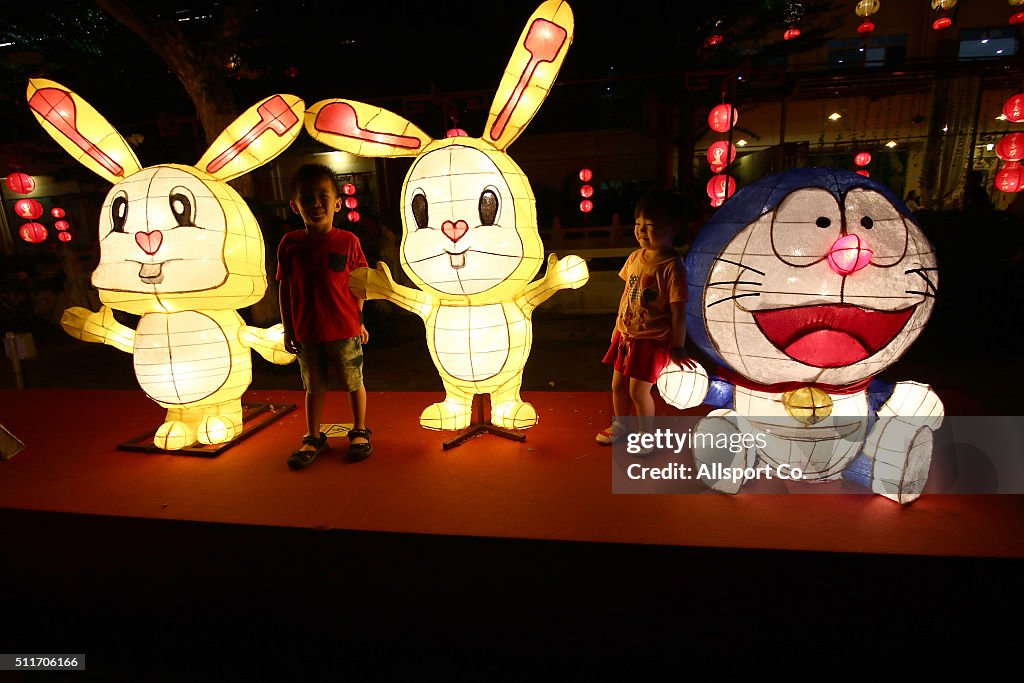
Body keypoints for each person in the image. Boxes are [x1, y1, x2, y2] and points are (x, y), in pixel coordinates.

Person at [277, 164, 373, 469]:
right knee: (312, 386)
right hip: (307, 331)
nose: (316, 203)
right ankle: (314, 435)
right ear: (295, 205)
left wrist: (359, 321)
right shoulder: (290, 244)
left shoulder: (348, 242)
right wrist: (287, 327)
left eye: (323, 196)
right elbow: (284, 287)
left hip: (345, 328)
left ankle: (359, 429)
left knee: (353, 380)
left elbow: (361, 284)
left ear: (336, 202)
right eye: (308, 198)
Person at [596, 189, 699, 449]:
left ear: (674, 228)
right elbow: (627, 295)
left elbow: (678, 312)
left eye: (650, 226)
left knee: (638, 391)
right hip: (627, 335)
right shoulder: (634, 258)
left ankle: (646, 436)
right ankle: (621, 425)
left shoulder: (672, 267)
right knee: (617, 385)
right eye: (638, 225)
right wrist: (617, 326)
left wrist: (677, 347)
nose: (641, 232)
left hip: (652, 341)